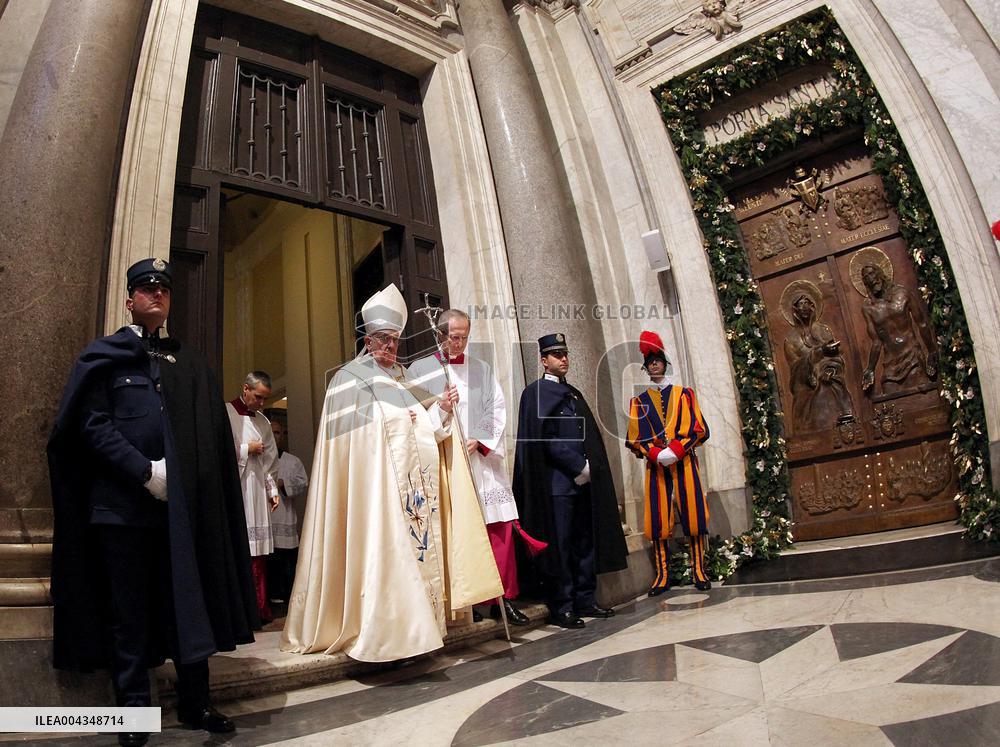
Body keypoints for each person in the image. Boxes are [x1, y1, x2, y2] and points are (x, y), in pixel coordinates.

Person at [48, 258, 258, 747]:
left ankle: (196, 702)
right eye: (146, 288)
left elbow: (206, 435)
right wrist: (145, 472)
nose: (157, 294)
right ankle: (133, 714)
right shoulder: (105, 357)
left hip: (180, 513)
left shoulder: (188, 364)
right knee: (130, 614)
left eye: (163, 288)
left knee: (188, 603)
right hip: (122, 511)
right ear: (129, 300)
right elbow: (91, 425)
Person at [281, 284, 502, 661]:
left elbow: (426, 427)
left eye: (395, 340)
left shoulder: (403, 377)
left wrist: (442, 410)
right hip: (374, 494)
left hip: (414, 491)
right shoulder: (348, 380)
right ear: (367, 340)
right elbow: (356, 444)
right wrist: (406, 424)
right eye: (383, 339)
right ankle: (387, 633)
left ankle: (421, 631)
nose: (390, 346)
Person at [408, 309, 545, 627]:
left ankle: (503, 599)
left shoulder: (481, 369)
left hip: (483, 462)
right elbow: (413, 417)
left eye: (464, 337)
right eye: (454, 337)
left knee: (499, 530)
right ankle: (471, 600)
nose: (459, 343)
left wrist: (481, 440)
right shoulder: (420, 371)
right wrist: (442, 410)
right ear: (440, 334)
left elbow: (497, 407)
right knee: (462, 531)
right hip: (447, 464)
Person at [512, 333, 628, 629]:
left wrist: (590, 467)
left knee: (584, 541)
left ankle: (585, 598)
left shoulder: (572, 393)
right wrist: (578, 466)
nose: (563, 359)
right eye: (556, 354)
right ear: (544, 360)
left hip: (583, 483)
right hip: (558, 485)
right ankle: (562, 605)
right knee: (561, 545)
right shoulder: (536, 393)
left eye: (565, 353)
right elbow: (545, 439)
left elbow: (586, 435)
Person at [625, 331, 713, 594]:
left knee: (693, 514)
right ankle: (662, 575)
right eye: (650, 362)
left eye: (657, 360)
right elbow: (635, 439)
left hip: (684, 461)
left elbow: (698, 429)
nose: (654, 364)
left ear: (665, 363)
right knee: (657, 519)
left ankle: (699, 570)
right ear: (645, 367)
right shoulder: (638, 402)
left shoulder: (684, 394)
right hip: (656, 467)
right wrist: (654, 453)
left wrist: (677, 449)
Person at [226, 372, 281, 623]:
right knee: (240, 548)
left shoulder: (263, 421)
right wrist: (247, 449)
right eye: (258, 397)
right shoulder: (227, 413)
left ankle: (259, 607)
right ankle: (242, 610)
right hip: (238, 488)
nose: (261, 403)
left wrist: (272, 490)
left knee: (258, 552)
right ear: (245, 389)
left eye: (265, 399)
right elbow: (218, 450)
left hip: (257, 489)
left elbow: (270, 461)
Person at [781, 282, 854, 432]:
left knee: (834, 390)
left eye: (807, 303)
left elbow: (837, 357)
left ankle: (846, 423)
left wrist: (830, 370)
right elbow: (795, 369)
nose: (804, 307)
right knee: (811, 406)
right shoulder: (791, 340)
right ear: (795, 309)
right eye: (800, 304)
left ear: (812, 306)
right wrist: (819, 352)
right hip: (806, 387)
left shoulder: (823, 330)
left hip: (830, 378)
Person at [859, 261, 938, 395]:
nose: (871, 279)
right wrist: (870, 369)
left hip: (912, 356)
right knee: (891, 399)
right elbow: (876, 342)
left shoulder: (902, 293)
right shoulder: (868, 307)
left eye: (872, 273)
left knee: (923, 397)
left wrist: (931, 352)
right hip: (890, 364)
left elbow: (922, 324)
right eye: (866, 278)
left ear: (880, 273)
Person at [267, 418, 308, 605]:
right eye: (272, 432)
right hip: (266, 517)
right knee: (270, 560)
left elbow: (303, 483)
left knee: (287, 560)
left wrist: (284, 484)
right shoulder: (260, 460)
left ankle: (288, 595)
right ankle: (272, 594)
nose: (275, 436)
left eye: (279, 433)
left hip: (285, 515)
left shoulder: (292, 461)